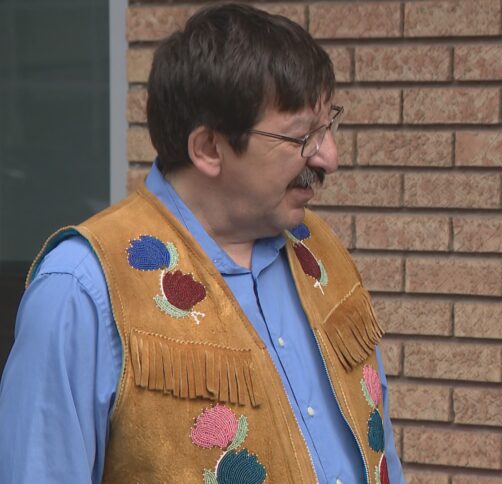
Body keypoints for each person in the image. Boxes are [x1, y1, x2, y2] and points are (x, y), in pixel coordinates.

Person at [0, 4, 402, 483]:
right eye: (302, 136)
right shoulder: (82, 290)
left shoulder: (320, 250)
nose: (329, 158)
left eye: (328, 125)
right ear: (209, 148)